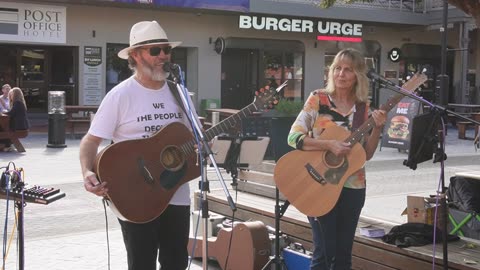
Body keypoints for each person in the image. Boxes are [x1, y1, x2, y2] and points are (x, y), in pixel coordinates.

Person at [79, 20, 195, 270]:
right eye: (155, 50)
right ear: (135, 55)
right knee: (142, 263)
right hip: (135, 194)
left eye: (166, 49)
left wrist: (204, 146)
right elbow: (91, 140)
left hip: (176, 193)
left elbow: (194, 138)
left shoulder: (180, 93)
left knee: (176, 262)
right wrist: (88, 172)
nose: (163, 55)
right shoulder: (120, 95)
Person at [287, 48, 387, 270]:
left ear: (358, 75)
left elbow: (366, 155)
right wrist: (328, 144)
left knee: (343, 257)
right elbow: (293, 137)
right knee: (323, 253)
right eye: (337, 68)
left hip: (353, 186)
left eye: (348, 70)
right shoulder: (318, 99)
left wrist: (378, 128)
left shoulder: (363, 107)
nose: (341, 74)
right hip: (318, 184)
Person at [0, 87, 29, 152]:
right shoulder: (19, 103)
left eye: (11, 94)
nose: (10, 96)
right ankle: (7, 145)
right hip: (21, 126)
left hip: (19, 127)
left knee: (3, 130)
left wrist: (2, 113)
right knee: (3, 129)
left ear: (15, 95)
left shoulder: (17, 103)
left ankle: (7, 145)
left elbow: (11, 113)